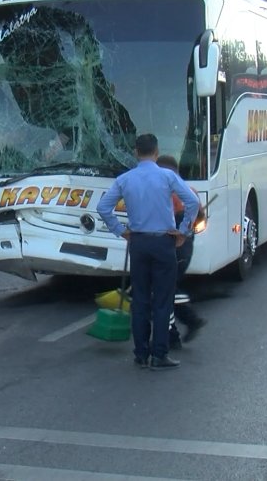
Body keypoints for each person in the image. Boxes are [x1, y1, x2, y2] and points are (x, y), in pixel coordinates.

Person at [96, 134, 198, 371]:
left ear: (135, 152)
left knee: (140, 299)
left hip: (138, 243)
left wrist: (120, 230)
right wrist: (183, 231)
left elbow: (103, 207)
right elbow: (192, 202)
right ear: (156, 152)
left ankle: (140, 354)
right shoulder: (167, 176)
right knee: (162, 301)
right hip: (164, 243)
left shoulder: (125, 179)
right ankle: (159, 355)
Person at [156, 155, 207, 349]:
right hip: (186, 248)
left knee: (164, 291)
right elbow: (200, 219)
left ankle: (189, 322)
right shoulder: (190, 191)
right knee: (166, 290)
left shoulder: (167, 194)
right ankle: (174, 334)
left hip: (174, 248)